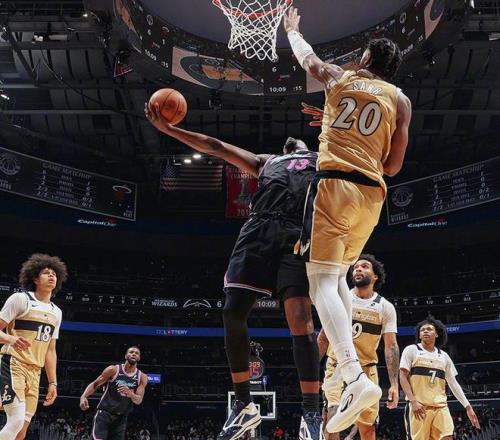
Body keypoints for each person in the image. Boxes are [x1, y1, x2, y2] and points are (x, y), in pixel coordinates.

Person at [145, 103, 322, 440]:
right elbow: (217, 146)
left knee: (301, 319)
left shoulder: (322, 158)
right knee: (232, 311)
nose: (290, 140)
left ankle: (311, 412)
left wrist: (335, 121)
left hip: (297, 233)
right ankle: (244, 405)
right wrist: (170, 130)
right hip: (258, 230)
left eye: (296, 141)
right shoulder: (265, 161)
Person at [284, 6, 412, 433]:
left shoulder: (341, 77)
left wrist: (292, 31)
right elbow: (393, 166)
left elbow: (309, 61)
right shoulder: (400, 100)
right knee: (338, 276)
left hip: (335, 186)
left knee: (319, 282)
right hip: (372, 195)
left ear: (365, 58)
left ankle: (355, 378)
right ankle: (350, 374)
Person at [318, 254, 399, 439]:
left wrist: (394, 384)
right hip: (337, 366)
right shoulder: (340, 298)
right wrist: (310, 372)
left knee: (368, 427)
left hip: (367, 369)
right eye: (355, 267)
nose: (358, 269)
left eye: (364, 266)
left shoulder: (385, 307)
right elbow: (323, 337)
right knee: (333, 419)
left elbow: (391, 347)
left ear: (375, 276)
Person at [0, 253, 67, 440]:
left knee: (21, 433)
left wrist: (53, 383)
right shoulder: (20, 299)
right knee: (15, 421)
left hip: (35, 372)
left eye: (54, 273)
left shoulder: (56, 312)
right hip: (13, 364)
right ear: (35, 278)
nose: (51, 275)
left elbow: (50, 350)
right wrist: (10, 339)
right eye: (46, 272)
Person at [399, 316, 480, 439]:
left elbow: (453, 383)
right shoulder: (411, 350)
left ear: (437, 334)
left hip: (441, 407)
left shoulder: (444, 356)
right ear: (419, 335)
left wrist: (468, 406)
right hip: (419, 407)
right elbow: (402, 377)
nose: (425, 331)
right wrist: (413, 401)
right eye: (422, 330)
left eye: (429, 329)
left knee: (447, 437)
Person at [80, 346, 148, 440]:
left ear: (139, 358)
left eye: (136, 353)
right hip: (104, 414)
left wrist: (131, 394)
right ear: (125, 356)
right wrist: (83, 397)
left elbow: (139, 400)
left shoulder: (142, 377)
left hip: (121, 418)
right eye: (131, 352)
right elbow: (95, 384)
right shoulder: (113, 370)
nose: (134, 354)